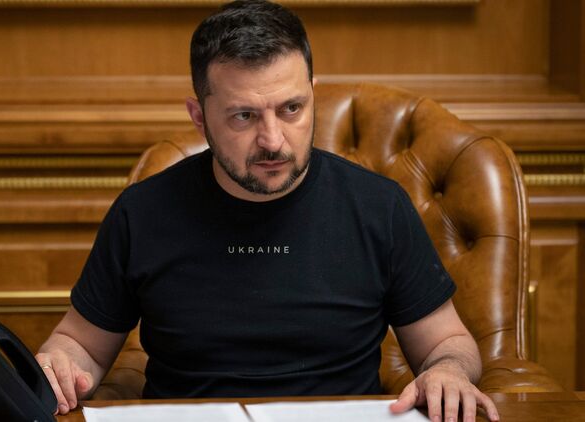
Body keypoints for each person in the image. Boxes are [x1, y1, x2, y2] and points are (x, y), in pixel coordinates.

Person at [36, 1, 500, 421]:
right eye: (244, 116)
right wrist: (60, 363)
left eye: (292, 108)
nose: (273, 140)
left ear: (313, 94)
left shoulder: (380, 206)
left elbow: (447, 343)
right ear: (199, 116)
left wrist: (449, 371)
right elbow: (80, 345)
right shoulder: (141, 213)